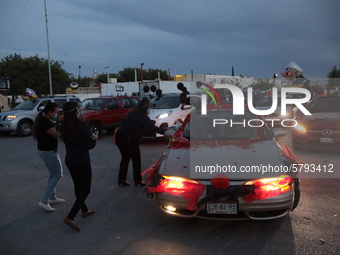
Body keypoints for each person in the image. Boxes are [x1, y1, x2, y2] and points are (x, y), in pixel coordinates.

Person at [60, 102, 98, 232]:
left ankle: (85, 210)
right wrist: (94, 139)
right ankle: (71, 216)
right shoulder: (81, 126)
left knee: (78, 186)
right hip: (82, 161)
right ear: (75, 112)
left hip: (70, 160)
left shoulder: (63, 126)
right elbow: (89, 145)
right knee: (86, 189)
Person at [116, 97, 167, 187]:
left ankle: (121, 179)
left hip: (120, 136)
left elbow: (140, 124)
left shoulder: (132, 112)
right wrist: (165, 131)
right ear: (146, 107)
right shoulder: (142, 116)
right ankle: (138, 180)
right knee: (136, 159)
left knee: (125, 158)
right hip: (130, 139)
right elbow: (152, 128)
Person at [32, 102, 65, 212]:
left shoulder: (44, 120)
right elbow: (57, 135)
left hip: (46, 151)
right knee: (58, 175)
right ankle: (44, 200)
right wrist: (60, 122)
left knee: (53, 174)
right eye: (56, 112)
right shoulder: (45, 122)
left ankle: (52, 197)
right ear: (50, 112)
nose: (57, 113)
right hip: (49, 152)